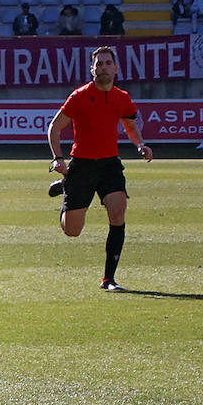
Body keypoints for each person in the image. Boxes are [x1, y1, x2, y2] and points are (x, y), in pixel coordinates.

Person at [45, 45, 153, 291]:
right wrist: (57, 158)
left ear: (116, 68)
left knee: (118, 212)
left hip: (109, 164)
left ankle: (109, 279)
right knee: (72, 231)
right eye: (99, 64)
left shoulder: (122, 97)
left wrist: (141, 144)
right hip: (82, 165)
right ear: (92, 69)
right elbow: (54, 127)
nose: (103, 67)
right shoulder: (79, 96)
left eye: (107, 63)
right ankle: (66, 186)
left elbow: (130, 124)